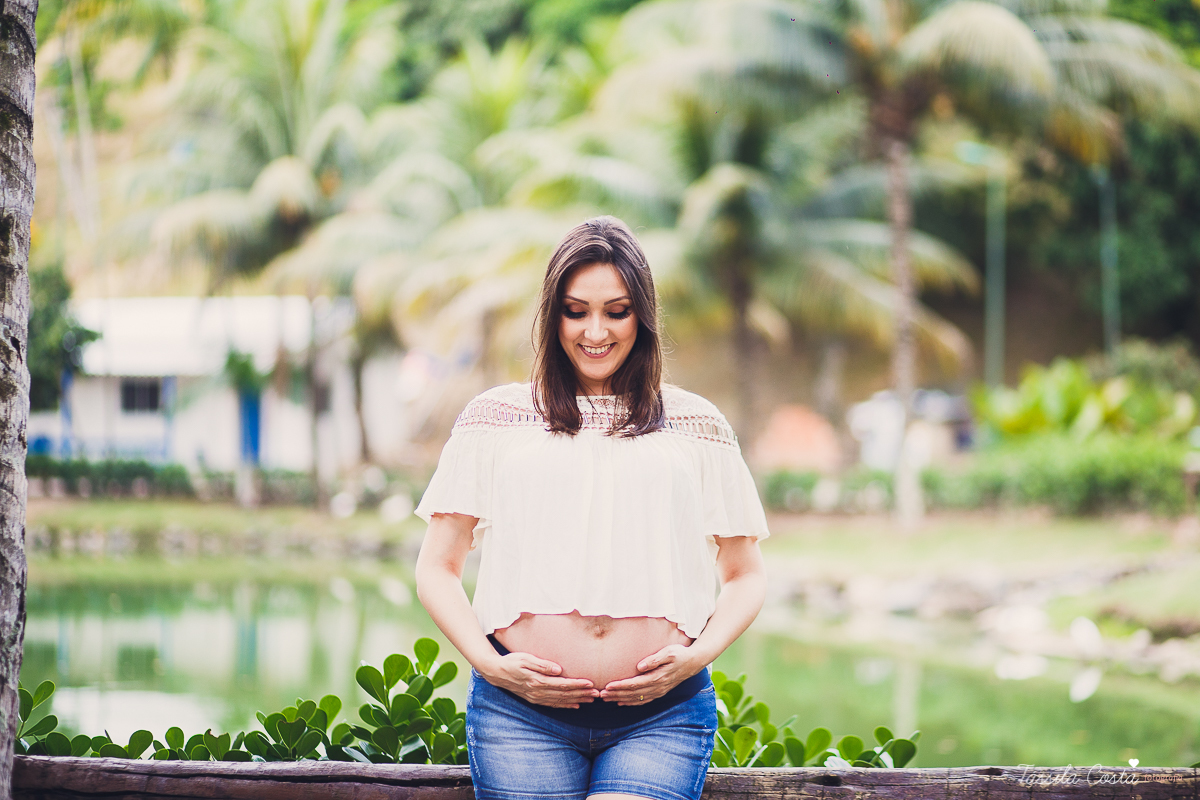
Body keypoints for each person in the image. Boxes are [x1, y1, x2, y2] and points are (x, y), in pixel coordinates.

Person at [414, 215, 769, 800]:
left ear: (644, 316)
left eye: (617, 310)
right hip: (519, 715)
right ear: (553, 316)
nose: (595, 331)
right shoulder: (493, 419)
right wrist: (490, 665)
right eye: (576, 311)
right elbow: (437, 566)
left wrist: (697, 656)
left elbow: (745, 573)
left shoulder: (697, 425)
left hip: (661, 717)